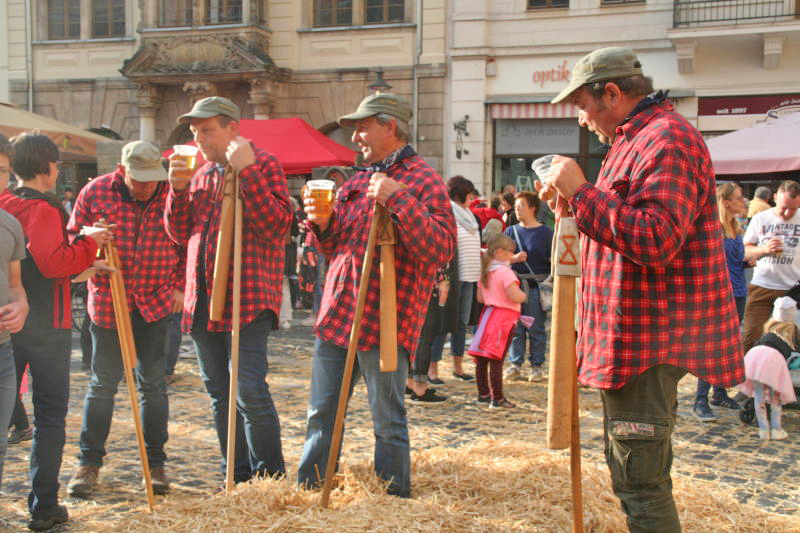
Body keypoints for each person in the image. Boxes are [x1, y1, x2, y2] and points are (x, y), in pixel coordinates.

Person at [538, 47, 744, 532]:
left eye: (584, 105)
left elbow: (655, 238)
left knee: (642, 484)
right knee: (636, 477)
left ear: (611, 92)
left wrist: (583, 193)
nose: (583, 119)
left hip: (648, 342)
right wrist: (572, 205)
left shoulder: (666, 138)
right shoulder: (637, 141)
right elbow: (621, 230)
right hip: (633, 339)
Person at [297, 92, 455, 497]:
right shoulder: (356, 179)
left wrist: (398, 198)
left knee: (387, 419)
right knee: (321, 415)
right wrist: (321, 223)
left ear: (390, 126)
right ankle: (310, 492)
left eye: (362, 126)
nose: (355, 137)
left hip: (386, 320)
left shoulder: (424, 180)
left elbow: (440, 249)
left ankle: (392, 500)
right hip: (338, 315)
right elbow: (338, 248)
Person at [166, 96, 290, 484]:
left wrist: (247, 171)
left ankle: (269, 481)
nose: (199, 138)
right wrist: (175, 190)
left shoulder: (264, 163)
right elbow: (178, 233)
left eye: (207, 130)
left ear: (233, 128)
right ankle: (235, 477)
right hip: (202, 298)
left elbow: (277, 227)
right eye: (195, 132)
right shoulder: (200, 174)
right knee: (220, 392)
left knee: (248, 389)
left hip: (247, 296)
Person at [0, 132, 110, 531]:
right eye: (57, 163)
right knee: (50, 417)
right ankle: (44, 505)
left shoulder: (5, 202)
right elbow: (51, 263)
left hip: (10, 322)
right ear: (46, 167)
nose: (59, 169)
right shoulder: (42, 209)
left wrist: (85, 261)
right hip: (45, 326)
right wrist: (87, 243)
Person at [65, 140, 185, 497]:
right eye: (139, 179)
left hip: (157, 300)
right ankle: (88, 464)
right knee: (103, 384)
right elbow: (73, 236)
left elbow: (187, 242)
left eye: (153, 178)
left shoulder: (171, 193)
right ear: (122, 171)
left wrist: (181, 287)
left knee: (152, 384)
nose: (148, 186)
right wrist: (90, 247)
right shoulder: (96, 191)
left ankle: (155, 464)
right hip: (109, 302)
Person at [692, 183, 754, 421]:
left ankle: (718, 393)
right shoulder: (712, 228)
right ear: (726, 202)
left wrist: (748, 261)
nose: (743, 201)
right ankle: (700, 399)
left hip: (737, 292)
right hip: (716, 294)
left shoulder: (735, 228)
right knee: (711, 346)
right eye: (739, 198)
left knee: (727, 345)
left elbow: (735, 261)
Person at [428, 176, 480, 383]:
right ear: (460, 193)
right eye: (469, 193)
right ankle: (432, 369)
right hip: (452, 277)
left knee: (461, 323)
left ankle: (458, 367)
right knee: (443, 324)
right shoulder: (448, 213)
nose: (473, 197)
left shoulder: (469, 216)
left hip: (469, 276)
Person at [740, 180, 800, 354]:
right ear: (774, 198)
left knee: (791, 339)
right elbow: (745, 250)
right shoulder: (761, 218)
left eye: (794, 209)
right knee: (751, 335)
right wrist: (764, 249)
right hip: (763, 286)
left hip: (793, 289)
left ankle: (783, 375)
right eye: (784, 207)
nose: (788, 213)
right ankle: (748, 377)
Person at [0, 133, 29, 493]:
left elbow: (17, 284)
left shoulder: (10, 224)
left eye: (3, 170)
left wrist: (22, 305)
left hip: (4, 352)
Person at [468, 234, 526, 408]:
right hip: (503, 318)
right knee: (496, 358)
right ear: (500, 252)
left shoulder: (486, 271)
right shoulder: (505, 273)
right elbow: (515, 295)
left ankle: (483, 394)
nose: (512, 255)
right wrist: (524, 295)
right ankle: (497, 398)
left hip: (487, 316)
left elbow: (480, 297)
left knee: (482, 358)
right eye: (510, 251)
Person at [503, 191, 552, 382]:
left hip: (534, 287)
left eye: (521, 205)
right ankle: (515, 364)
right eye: (516, 205)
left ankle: (537, 366)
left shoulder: (546, 233)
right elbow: (498, 257)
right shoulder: (510, 231)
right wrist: (514, 259)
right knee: (515, 327)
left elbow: (552, 261)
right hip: (514, 285)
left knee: (535, 327)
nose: (517, 208)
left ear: (532, 208)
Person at [737, 297, 797, 440]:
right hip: (773, 361)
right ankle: (776, 429)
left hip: (756, 357)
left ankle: (763, 430)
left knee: (759, 395)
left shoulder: (769, 328)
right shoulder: (791, 332)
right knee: (775, 397)